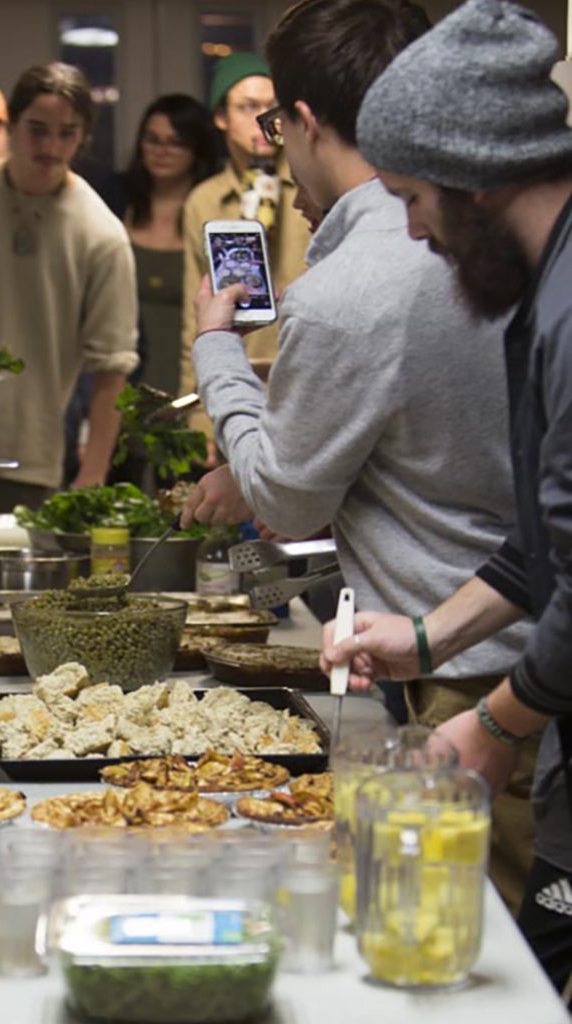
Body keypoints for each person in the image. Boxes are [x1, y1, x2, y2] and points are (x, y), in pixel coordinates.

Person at [180, 0, 534, 912]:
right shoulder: (488, 239)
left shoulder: (356, 283)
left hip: (475, 681)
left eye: (275, 123)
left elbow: (286, 500)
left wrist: (215, 349)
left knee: (465, 949)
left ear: (300, 121)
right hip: (490, 645)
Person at [319, 0, 572, 998]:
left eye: (413, 198)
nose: (415, 233)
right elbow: (548, 542)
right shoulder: (544, 284)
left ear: (473, 177)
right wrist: (429, 640)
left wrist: (500, 725)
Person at [0, 62, 138, 518]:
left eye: (67, 133)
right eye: (37, 130)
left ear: (83, 138)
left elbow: (112, 368)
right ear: (13, 125)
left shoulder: (102, 233)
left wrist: (92, 476)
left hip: (25, 456)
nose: (50, 147)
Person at [179, 51, 310, 433]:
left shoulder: (310, 185)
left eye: (271, 107)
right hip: (236, 383)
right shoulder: (205, 201)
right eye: (247, 106)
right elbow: (195, 314)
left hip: (305, 380)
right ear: (221, 118)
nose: (261, 119)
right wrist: (198, 409)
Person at [104, 93, 219, 394]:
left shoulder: (211, 209)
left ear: (197, 148)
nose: (162, 151)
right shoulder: (115, 202)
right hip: (122, 380)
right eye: (152, 140)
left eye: (175, 142)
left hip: (190, 378)